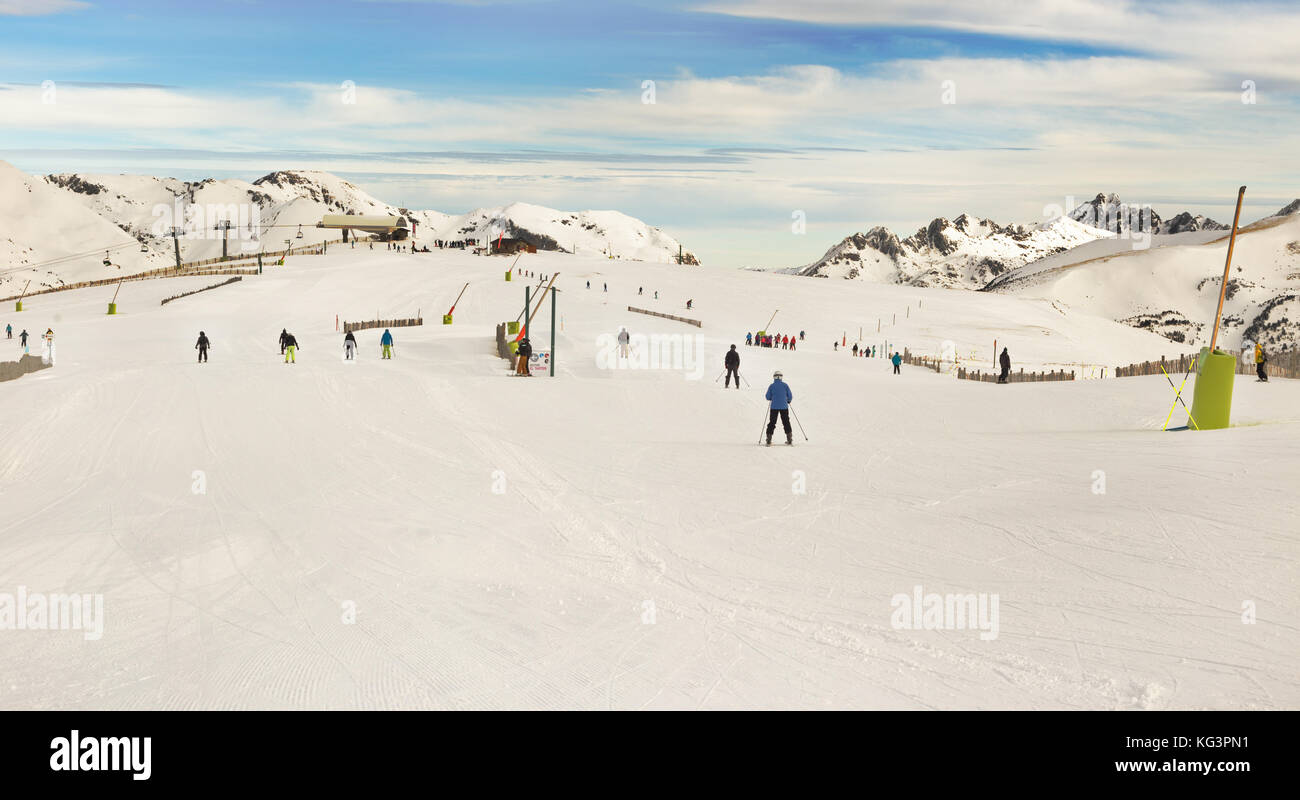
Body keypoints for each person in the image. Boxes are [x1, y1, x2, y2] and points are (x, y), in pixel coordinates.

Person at [764, 370, 793, 446]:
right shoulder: (785, 385)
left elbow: (767, 397)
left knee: (772, 422)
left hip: (774, 407)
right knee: (786, 422)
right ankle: (789, 439)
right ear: (781, 377)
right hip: (784, 407)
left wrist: (771, 398)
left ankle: (768, 439)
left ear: (774, 377)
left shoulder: (771, 386)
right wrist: (788, 400)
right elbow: (790, 396)